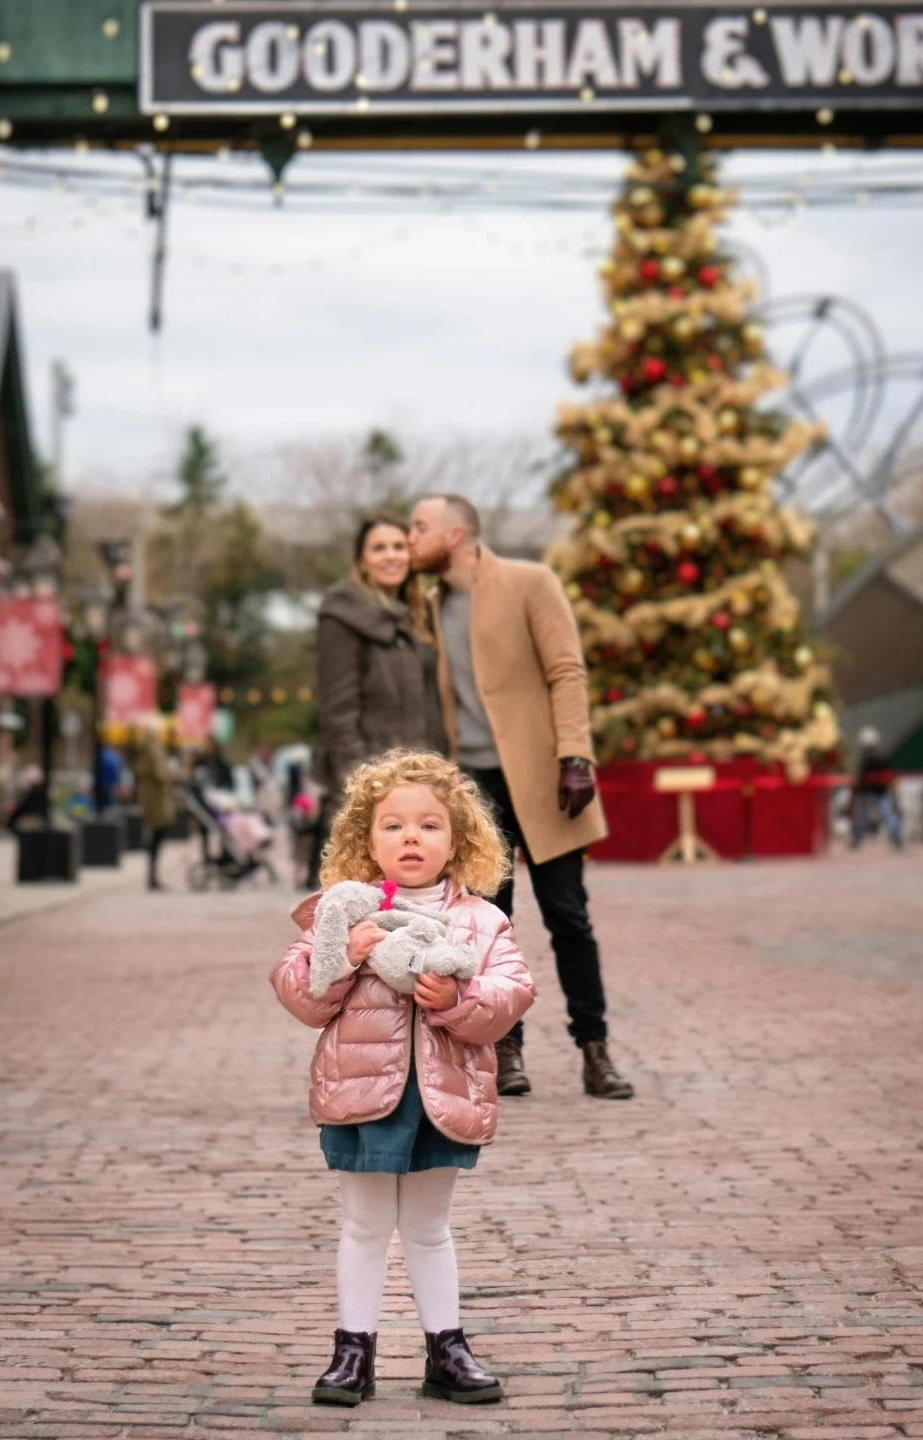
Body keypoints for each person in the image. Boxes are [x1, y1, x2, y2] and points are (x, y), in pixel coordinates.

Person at [271, 750, 536, 1407]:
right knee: (364, 1224)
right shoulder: (342, 913)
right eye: (392, 825)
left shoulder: (482, 921)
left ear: (458, 839)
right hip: (363, 1092)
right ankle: (351, 1353)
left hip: (439, 1096)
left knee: (427, 1226)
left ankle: (447, 1350)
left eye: (428, 825)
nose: (410, 837)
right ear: (367, 842)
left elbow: (511, 994)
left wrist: (457, 998)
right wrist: (344, 957)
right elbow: (298, 990)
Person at [408, 493, 634, 1102]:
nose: (410, 538)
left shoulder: (531, 582)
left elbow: (567, 671)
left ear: (456, 534)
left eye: (420, 527)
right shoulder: (429, 605)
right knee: (488, 925)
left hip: (544, 777)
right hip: (472, 788)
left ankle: (595, 1050)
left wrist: (576, 756)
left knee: (568, 916)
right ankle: (506, 1049)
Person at [311, 512, 446, 884]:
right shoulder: (342, 616)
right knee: (367, 891)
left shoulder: (420, 616)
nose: (391, 556)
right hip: (372, 780)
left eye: (399, 547)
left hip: (423, 777)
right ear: (362, 561)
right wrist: (358, 786)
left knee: (423, 893)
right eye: (379, 548)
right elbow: (338, 711)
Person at [134, 719, 177, 891]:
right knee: (157, 837)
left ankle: (152, 876)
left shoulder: (145, 747)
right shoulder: (153, 748)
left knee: (155, 837)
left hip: (150, 799)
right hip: (157, 799)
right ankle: (153, 877)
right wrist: (174, 776)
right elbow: (160, 773)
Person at [850, 726, 902, 849]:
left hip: (870, 792)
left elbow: (862, 777)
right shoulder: (882, 755)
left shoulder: (867, 758)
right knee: (887, 815)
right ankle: (895, 837)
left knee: (863, 816)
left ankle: (856, 840)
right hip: (879, 791)